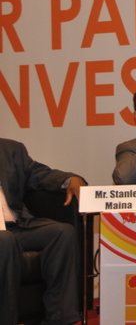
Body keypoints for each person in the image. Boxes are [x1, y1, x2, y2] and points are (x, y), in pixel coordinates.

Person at [0, 137, 87, 325]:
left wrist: (69, 180)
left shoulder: (11, 149)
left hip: (17, 226)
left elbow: (39, 174)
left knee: (62, 233)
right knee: (5, 240)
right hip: (4, 237)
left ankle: (61, 318)